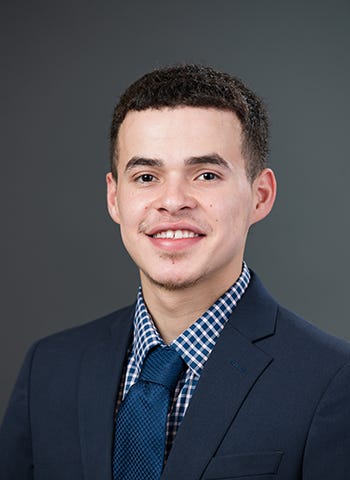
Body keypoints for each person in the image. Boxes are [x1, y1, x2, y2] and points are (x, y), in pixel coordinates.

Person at [1, 64, 350, 480]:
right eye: (146, 176)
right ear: (115, 198)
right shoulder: (51, 367)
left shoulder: (333, 382)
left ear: (260, 196)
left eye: (206, 175)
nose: (172, 201)